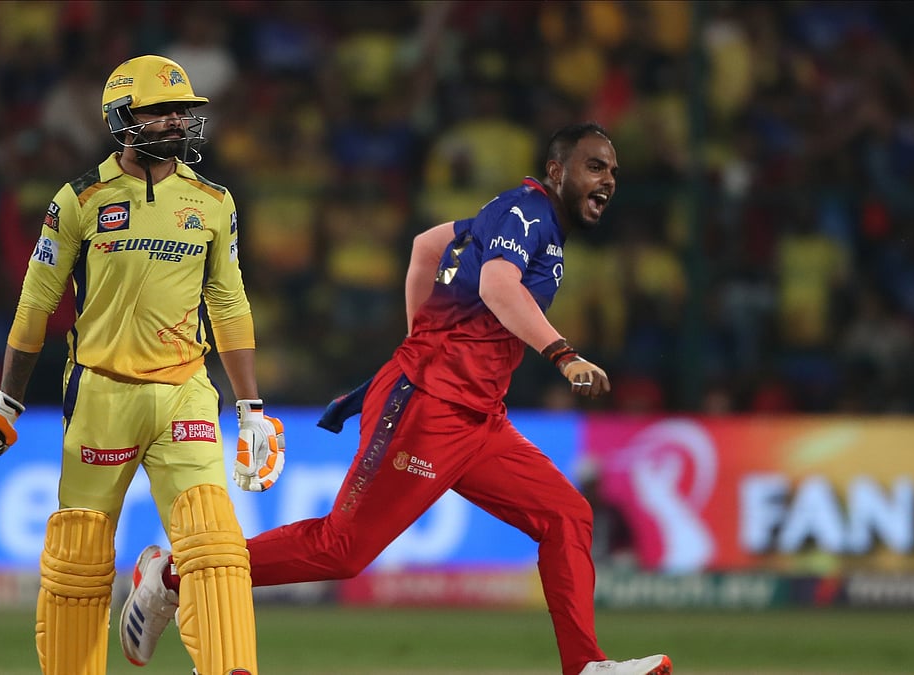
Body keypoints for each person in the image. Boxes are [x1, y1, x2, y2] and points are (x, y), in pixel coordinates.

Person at [117, 123, 673, 675]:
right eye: (595, 166)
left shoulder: (526, 223)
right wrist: (562, 355)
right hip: (429, 406)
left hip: (476, 416)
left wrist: (419, 337)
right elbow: (497, 286)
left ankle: (586, 667)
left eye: (614, 172)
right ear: (557, 172)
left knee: (566, 514)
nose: (608, 180)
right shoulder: (525, 211)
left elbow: (426, 246)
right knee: (342, 549)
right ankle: (170, 577)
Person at [0, 54, 285, 675]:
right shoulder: (80, 200)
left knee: (216, 545)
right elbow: (36, 304)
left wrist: (252, 406)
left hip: (186, 391)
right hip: (101, 392)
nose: (178, 121)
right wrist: (6, 405)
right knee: (79, 557)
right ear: (123, 117)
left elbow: (228, 299)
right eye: (162, 110)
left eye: (183, 111)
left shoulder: (212, 201)